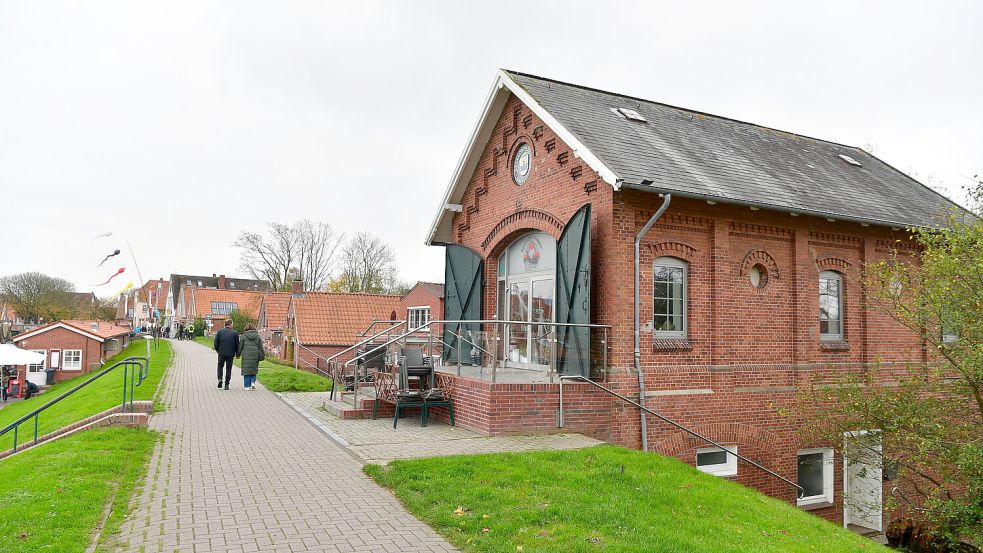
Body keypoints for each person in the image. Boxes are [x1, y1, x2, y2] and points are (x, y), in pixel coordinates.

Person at [236, 323, 265, 390]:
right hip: (255, 355)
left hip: (246, 355)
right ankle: (252, 383)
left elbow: (240, 347)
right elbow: (261, 347)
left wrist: (238, 355)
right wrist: (263, 355)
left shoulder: (243, 336)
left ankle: (247, 386)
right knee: (253, 370)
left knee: (246, 371)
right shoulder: (258, 336)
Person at [213, 319, 239, 390]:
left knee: (220, 366)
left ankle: (220, 379)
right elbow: (237, 345)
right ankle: (227, 384)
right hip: (230, 354)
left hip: (221, 353)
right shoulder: (235, 333)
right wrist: (237, 354)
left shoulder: (220, 332)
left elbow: (216, 343)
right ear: (230, 324)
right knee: (228, 368)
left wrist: (218, 350)